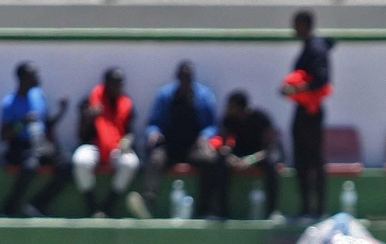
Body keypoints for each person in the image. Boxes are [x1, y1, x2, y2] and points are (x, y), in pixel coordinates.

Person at [137, 61, 220, 218]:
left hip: (193, 147)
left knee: (210, 161)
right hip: (170, 146)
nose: (185, 81)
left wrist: (205, 137)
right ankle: (147, 203)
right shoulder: (165, 95)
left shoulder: (204, 96)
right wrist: (154, 134)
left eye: (188, 77)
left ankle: (205, 209)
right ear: (177, 78)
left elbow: (212, 126)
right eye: (182, 77)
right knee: (155, 160)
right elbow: (154, 123)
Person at [0, 61, 72, 217]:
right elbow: (4, 136)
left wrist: (62, 111)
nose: (38, 77)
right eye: (34, 74)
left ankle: (38, 204)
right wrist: (22, 124)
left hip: (41, 143)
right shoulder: (9, 103)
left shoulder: (38, 95)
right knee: (30, 166)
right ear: (23, 78)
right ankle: (10, 207)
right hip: (21, 146)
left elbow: (48, 124)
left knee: (66, 164)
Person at [71, 68, 143, 218]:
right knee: (81, 161)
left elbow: (130, 131)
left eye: (121, 83)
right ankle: (92, 205)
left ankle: (109, 205)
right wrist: (90, 117)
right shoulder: (90, 101)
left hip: (117, 146)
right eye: (115, 83)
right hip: (93, 145)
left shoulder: (126, 103)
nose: (118, 86)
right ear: (106, 84)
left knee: (131, 163)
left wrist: (128, 140)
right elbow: (81, 134)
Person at [283, 10, 333, 220]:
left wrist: (298, 89)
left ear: (305, 24)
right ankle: (306, 207)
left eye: (297, 24)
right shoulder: (308, 47)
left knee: (314, 160)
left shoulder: (316, 49)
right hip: (302, 110)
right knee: (301, 161)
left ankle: (318, 209)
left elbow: (321, 80)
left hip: (311, 112)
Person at [209, 90, 285, 220]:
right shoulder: (229, 119)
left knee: (272, 163)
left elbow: (270, 148)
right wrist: (230, 157)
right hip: (240, 154)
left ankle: (273, 211)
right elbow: (223, 143)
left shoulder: (261, 118)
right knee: (220, 162)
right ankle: (222, 211)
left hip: (260, 155)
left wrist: (251, 160)